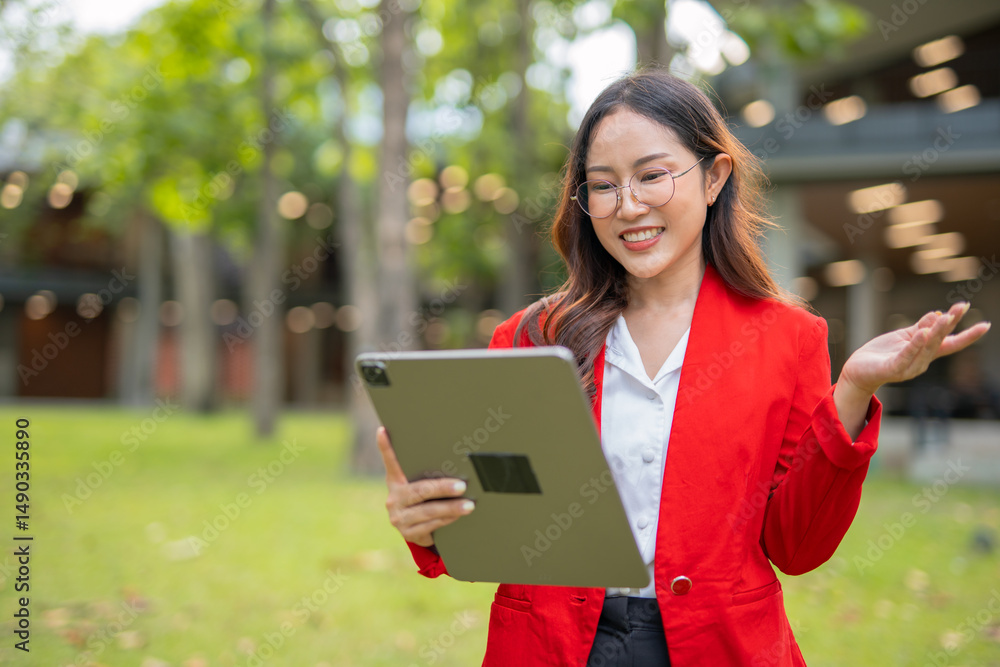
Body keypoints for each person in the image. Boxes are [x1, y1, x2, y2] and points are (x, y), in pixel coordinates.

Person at [374, 68, 991, 666]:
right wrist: (426, 523)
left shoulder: (789, 339)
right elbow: (500, 522)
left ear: (715, 175)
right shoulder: (531, 337)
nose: (629, 205)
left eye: (652, 176)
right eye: (603, 185)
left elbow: (796, 546)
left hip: (719, 646)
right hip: (551, 646)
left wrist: (854, 388)